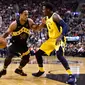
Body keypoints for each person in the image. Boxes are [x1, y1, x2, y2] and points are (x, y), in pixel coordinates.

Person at [32, 2, 76, 84]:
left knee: (59, 55)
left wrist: (60, 36)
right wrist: (37, 27)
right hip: (51, 40)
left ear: (48, 9)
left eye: (44, 9)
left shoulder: (55, 16)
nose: (42, 11)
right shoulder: (45, 18)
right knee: (38, 53)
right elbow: (44, 27)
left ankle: (71, 75)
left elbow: (65, 26)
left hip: (58, 39)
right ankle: (41, 70)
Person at [0, 7, 43, 77]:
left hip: (23, 44)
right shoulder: (14, 24)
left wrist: (41, 25)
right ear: (20, 14)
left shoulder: (29, 21)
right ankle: (4, 70)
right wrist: (1, 38)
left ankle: (19, 69)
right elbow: (7, 33)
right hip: (14, 43)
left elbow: (35, 28)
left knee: (26, 58)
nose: (27, 16)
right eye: (25, 14)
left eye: (27, 14)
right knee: (9, 56)